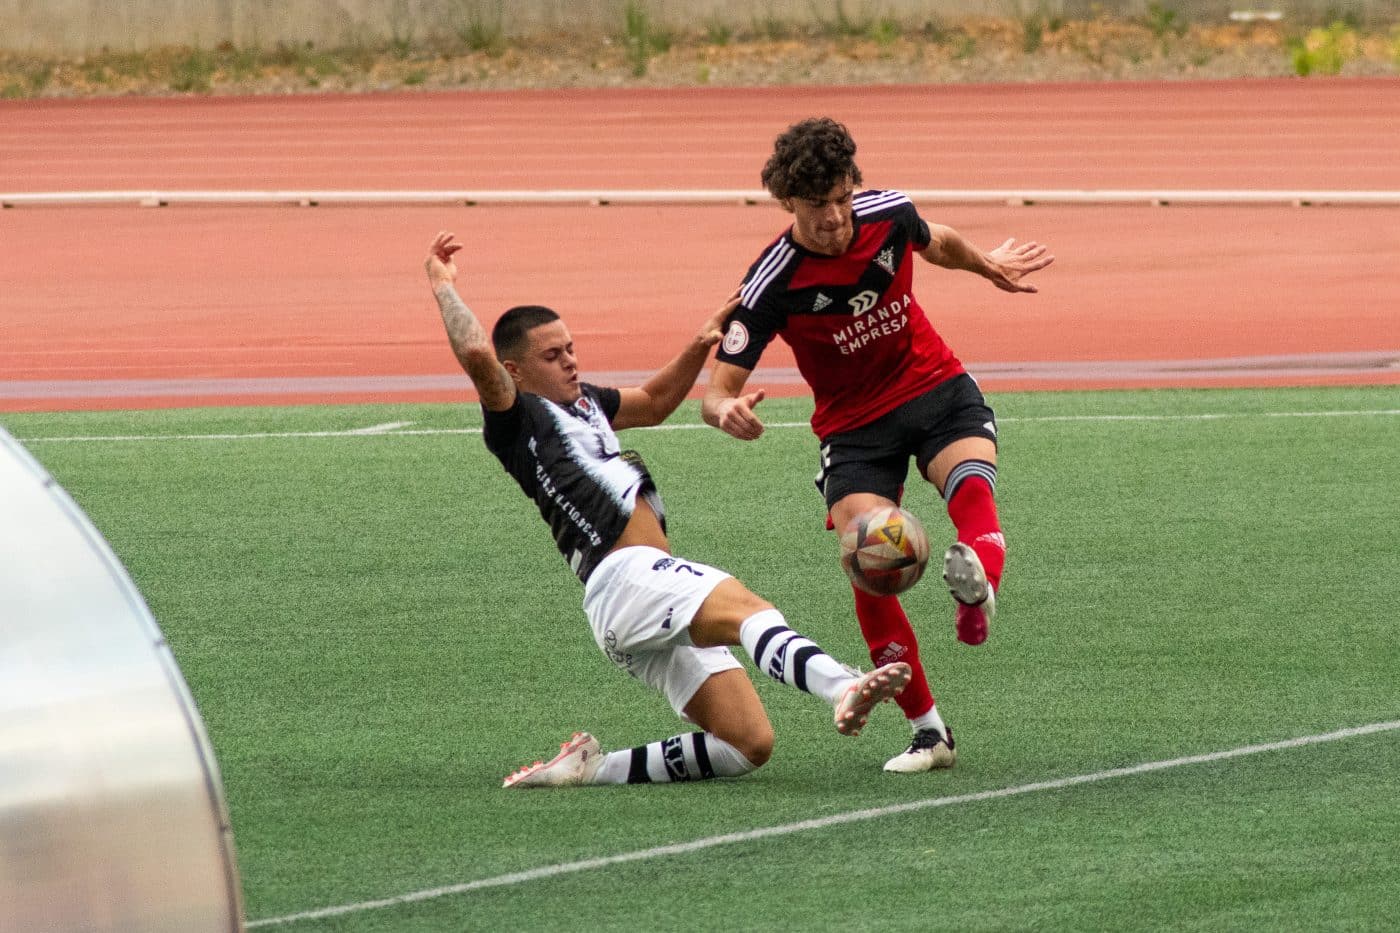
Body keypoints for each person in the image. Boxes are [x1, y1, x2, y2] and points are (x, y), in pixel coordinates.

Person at [424, 230, 912, 788]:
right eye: (552, 356)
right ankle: (840, 685)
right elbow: (476, 353)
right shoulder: (518, 420)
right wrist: (442, 285)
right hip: (627, 576)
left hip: (631, 599)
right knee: (749, 609)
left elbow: (654, 403)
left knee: (748, 744)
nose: (570, 362)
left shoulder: (586, 404)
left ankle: (592, 768)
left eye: (571, 349)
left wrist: (701, 343)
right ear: (514, 371)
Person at [701, 118, 1054, 774]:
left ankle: (979, 591)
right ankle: (930, 733)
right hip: (856, 428)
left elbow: (937, 240)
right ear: (787, 202)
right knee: (868, 560)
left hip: (934, 386)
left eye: (842, 198)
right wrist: (728, 411)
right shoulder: (772, 280)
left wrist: (989, 266)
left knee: (972, 487)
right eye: (817, 205)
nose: (835, 217)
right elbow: (717, 389)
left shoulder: (888, 213)